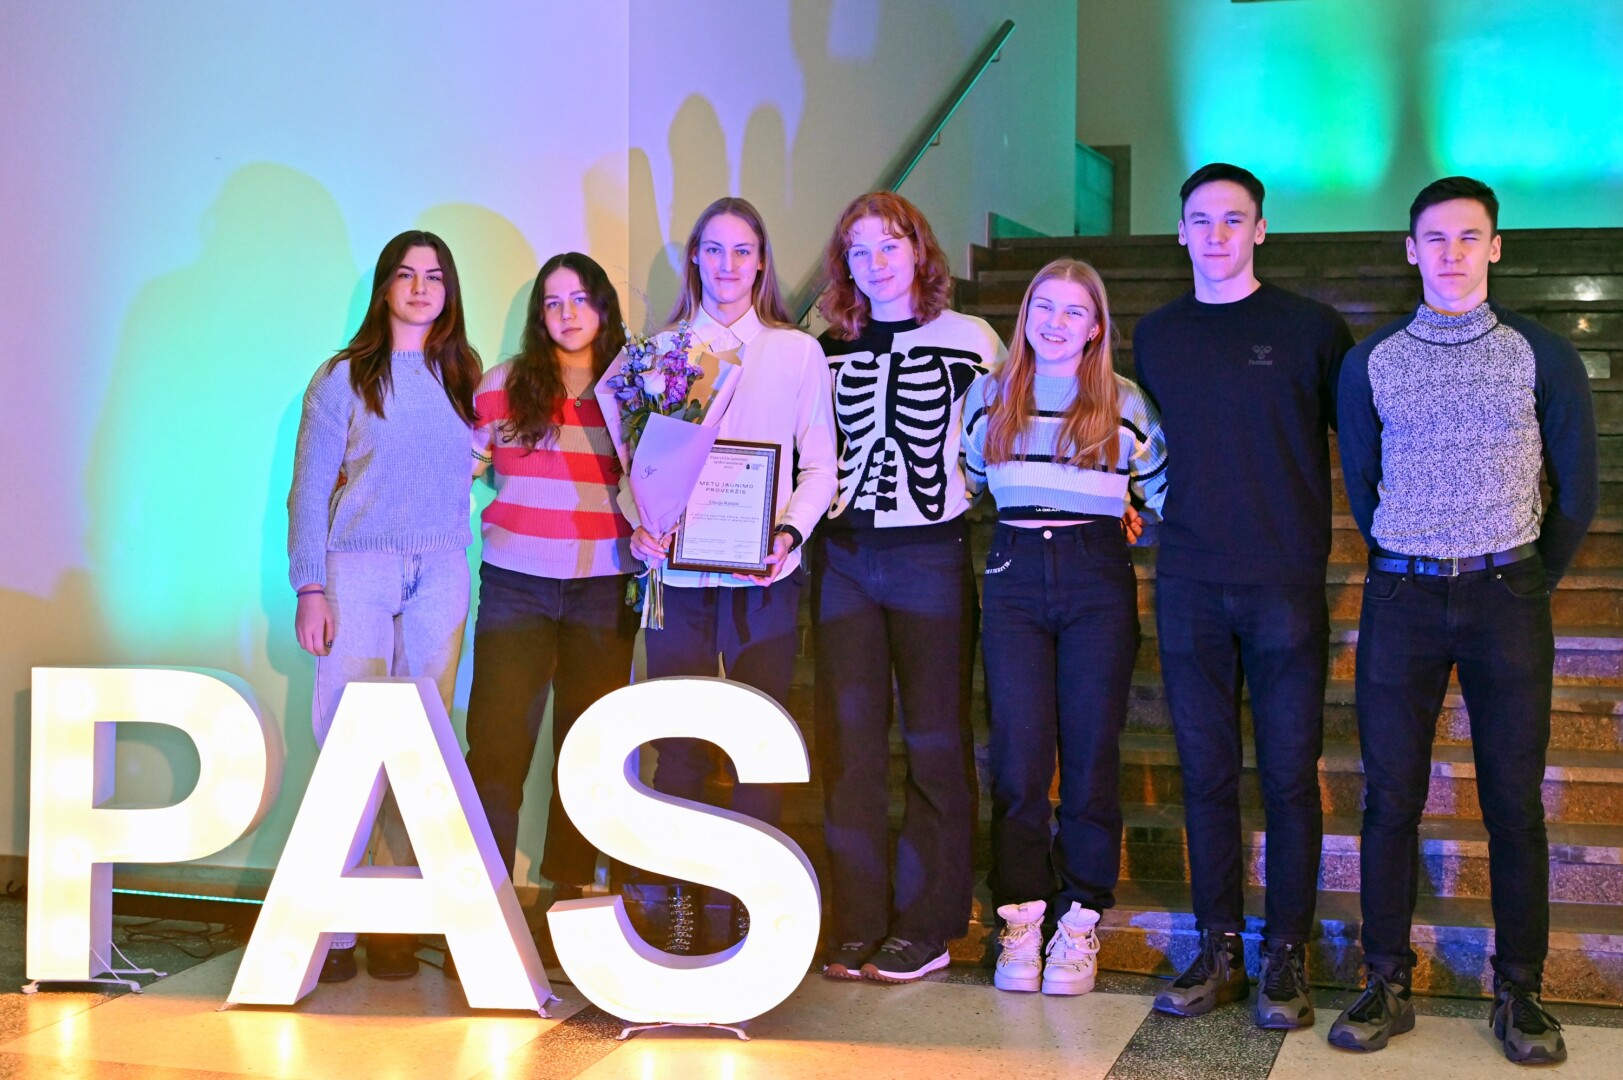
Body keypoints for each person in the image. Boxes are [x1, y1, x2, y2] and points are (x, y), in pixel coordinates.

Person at [1330, 177, 1597, 1063]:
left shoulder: (1539, 354)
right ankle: (1385, 980)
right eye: (1434, 238)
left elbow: (1577, 490)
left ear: (1494, 247)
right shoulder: (1371, 360)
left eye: (1468, 236)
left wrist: (1527, 578)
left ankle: (1519, 992)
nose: (1451, 252)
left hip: (1503, 597)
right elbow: (1362, 485)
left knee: (1512, 803)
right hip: (1401, 598)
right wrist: (1411, 550)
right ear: (1410, 250)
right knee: (1388, 799)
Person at [1133, 163, 1353, 1028]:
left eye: (1233, 219)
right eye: (1201, 219)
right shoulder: (1156, 335)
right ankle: (1218, 949)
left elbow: (1360, 440)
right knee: (1205, 773)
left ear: (1260, 229)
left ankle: (1286, 957)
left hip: (1283, 584)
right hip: (1187, 580)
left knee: (1291, 775)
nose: (1216, 234)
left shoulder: (1311, 329)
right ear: (1179, 231)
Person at [623, 196, 838, 953]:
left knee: (759, 746)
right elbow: (633, 467)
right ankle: (681, 908)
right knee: (679, 745)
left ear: (762, 262)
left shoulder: (795, 352)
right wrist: (640, 523)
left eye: (742, 251)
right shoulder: (659, 354)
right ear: (695, 258)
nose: (727, 264)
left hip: (762, 579)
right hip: (679, 583)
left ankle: (751, 909)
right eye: (713, 249)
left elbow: (821, 466)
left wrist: (788, 532)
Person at [811, 191, 1003, 983]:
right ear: (845, 266)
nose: (876, 263)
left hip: (930, 555)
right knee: (848, 743)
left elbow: (1004, 434)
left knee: (935, 741)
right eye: (859, 251)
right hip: (844, 558)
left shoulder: (971, 340)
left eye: (890, 245)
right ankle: (856, 920)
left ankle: (927, 924)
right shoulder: (825, 348)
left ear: (920, 250)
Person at [964, 258, 1167, 997]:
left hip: (1095, 576)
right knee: (1019, 761)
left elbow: (1161, 490)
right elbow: (967, 480)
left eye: (1074, 311)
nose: (1055, 323)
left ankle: (1079, 919)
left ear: (1095, 327)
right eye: (1043, 307)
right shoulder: (989, 395)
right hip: (1014, 573)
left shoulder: (1124, 400)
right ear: (1025, 316)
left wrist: (1129, 517)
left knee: (1088, 756)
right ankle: (1020, 918)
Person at [287, 229, 482, 983]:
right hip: (356, 569)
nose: (420, 287)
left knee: (422, 743)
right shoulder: (342, 378)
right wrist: (310, 587)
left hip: (441, 570)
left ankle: (396, 921)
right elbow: (310, 489)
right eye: (405, 274)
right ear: (384, 287)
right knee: (349, 741)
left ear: (448, 289)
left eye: (434, 275)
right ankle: (331, 927)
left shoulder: (465, 375)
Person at [463, 253, 637, 916]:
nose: (567, 313)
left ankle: (571, 895)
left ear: (603, 306)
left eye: (580, 298)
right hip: (516, 585)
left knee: (588, 748)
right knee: (497, 746)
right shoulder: (502, 384)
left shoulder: (636, 387)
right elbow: (464, 470)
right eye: (553, 302)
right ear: (540, 314)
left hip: (604, 585)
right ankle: (483, 904)